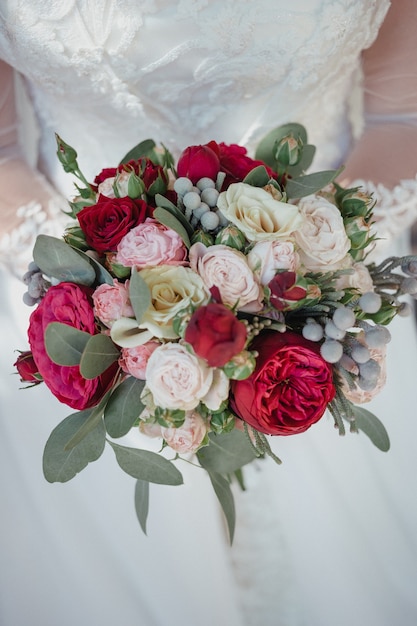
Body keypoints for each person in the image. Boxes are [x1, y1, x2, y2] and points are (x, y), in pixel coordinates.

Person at [1, 1, 417, 625]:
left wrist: (312, 287)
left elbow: (399, 116)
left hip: (326, 317)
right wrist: (107, 311)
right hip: (84, 323)